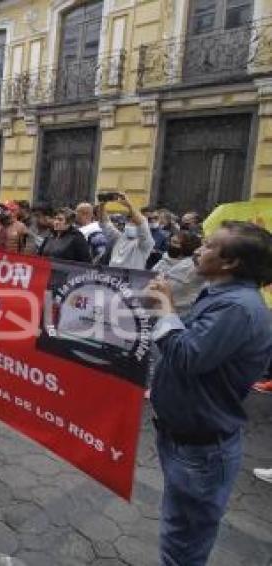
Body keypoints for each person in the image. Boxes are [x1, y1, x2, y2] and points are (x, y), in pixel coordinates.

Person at [147, 221, 272, 566]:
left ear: (230, 262)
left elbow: (187, 355)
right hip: (184, 440)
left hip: (201, 450)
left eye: (209, 245)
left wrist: (167, 308)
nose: (198, 250)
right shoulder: (222, 296)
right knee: (180, 529)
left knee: (182, 544)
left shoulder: (237, 307)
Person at [152, 230, 205, 316]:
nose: (170, 244)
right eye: (170, 241)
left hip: (176, 314)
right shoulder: (165, 258)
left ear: (187, 247)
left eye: (175, 243)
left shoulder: (193, 267)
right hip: (154, 308)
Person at [97, 194, 155, 270]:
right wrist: (103, 204)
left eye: (134, 223)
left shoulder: (146, 243)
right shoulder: (119, 237)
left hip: (131, 280)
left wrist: (129, 206)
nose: (131, 224)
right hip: (112, 278)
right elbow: (104, 223)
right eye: (130, 221)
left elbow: (142, 224)